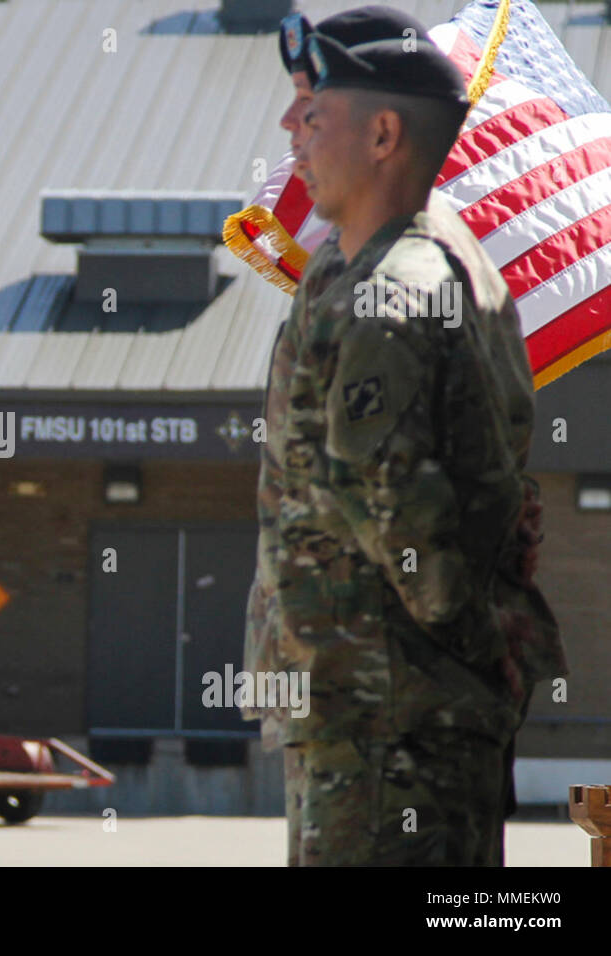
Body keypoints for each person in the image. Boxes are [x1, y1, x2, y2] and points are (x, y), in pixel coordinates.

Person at [243, 21, 567, 865]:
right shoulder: (362, 272)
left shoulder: (393, 298)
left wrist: (468, 652)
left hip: (392, 728)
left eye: (314, 115)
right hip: (368, 715)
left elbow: (406, 523)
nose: (291, 130)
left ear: (384, 135)